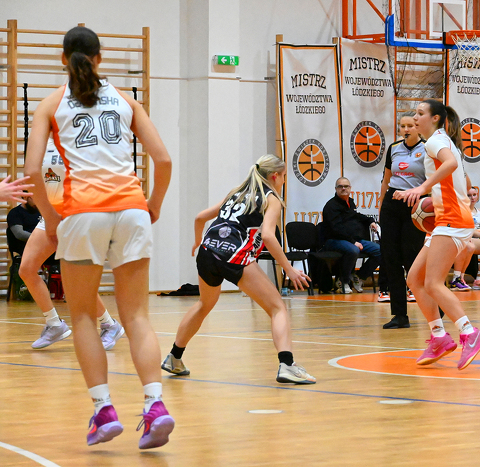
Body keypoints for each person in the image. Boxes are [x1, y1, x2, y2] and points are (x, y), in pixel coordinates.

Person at [26, 26, 174, 449]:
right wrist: (153, 204)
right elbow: (163, 159)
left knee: (82, 317)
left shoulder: (51, 103)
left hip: (82, 214)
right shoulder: (127, 99)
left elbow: (34, 171)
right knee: (137, 317)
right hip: (131, 210)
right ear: (100, 57)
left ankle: (104, 410)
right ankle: (155, 404)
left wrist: (51, 218)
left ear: (62, 58)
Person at [161, 155, 316, 386]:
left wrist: (197, 241)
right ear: (274, 176)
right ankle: (287, 365)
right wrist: (289, 269)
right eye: (284, 176)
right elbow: (268, 236)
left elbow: (200, 217)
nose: (284, 181)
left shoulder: (236, 192)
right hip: (233, 254)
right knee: (277, 308)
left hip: (207, 251)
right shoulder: (271, 198)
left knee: (204, 304)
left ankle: (174, 357)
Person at [394, 99, 480, 370]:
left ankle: (470, 332)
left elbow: (450, 164)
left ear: (435, 118)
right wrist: (423, 193)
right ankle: (439, 337)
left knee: (433, 283)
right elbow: (452, 180)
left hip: (453, 219)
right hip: (446, 219)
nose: (415, 117)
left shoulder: (436, 141)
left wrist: (420, 188)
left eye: (420, 113)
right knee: (415, 279)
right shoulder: (439, 141)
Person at [21, 139, 124, 350]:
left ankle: (109, 324)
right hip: (50, 215)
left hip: (76, 215)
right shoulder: (42, 143)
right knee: (27, 269)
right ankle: (54, 324)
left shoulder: (80, 139)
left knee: (77, 281)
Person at [378, 115, 427, 328]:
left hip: (415, 204)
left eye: (410, 126)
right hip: (392, 202)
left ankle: (436, 305)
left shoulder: (428, 149)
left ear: (418, 128)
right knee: (391, 259)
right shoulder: (393, 148)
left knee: (412, 258)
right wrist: (381, 206)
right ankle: (399, 315)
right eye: (402, 126)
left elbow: (432, 181)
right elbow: (386, 180)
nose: (406, 129)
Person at [322, 177, 381, 294]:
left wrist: (370, 221)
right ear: (336, 189)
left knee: (379, 250)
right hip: (334, 240)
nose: (343, 188)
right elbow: (336, 229)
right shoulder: (331, 206)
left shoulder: (350, 203)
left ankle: (359, 276)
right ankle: (343, 281)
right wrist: (353, 242)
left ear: (350, 188)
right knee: (353, 250)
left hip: (352, 239)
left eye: (346, 186)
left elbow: (356, 216)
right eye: (340, 186)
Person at [6, 192, 40, 256]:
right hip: (26, 250)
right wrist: (41, 238)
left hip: (43, 247)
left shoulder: (42, 211)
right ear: (25, 197)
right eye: (35, 198)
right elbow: (20, 234)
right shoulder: (15, 213)